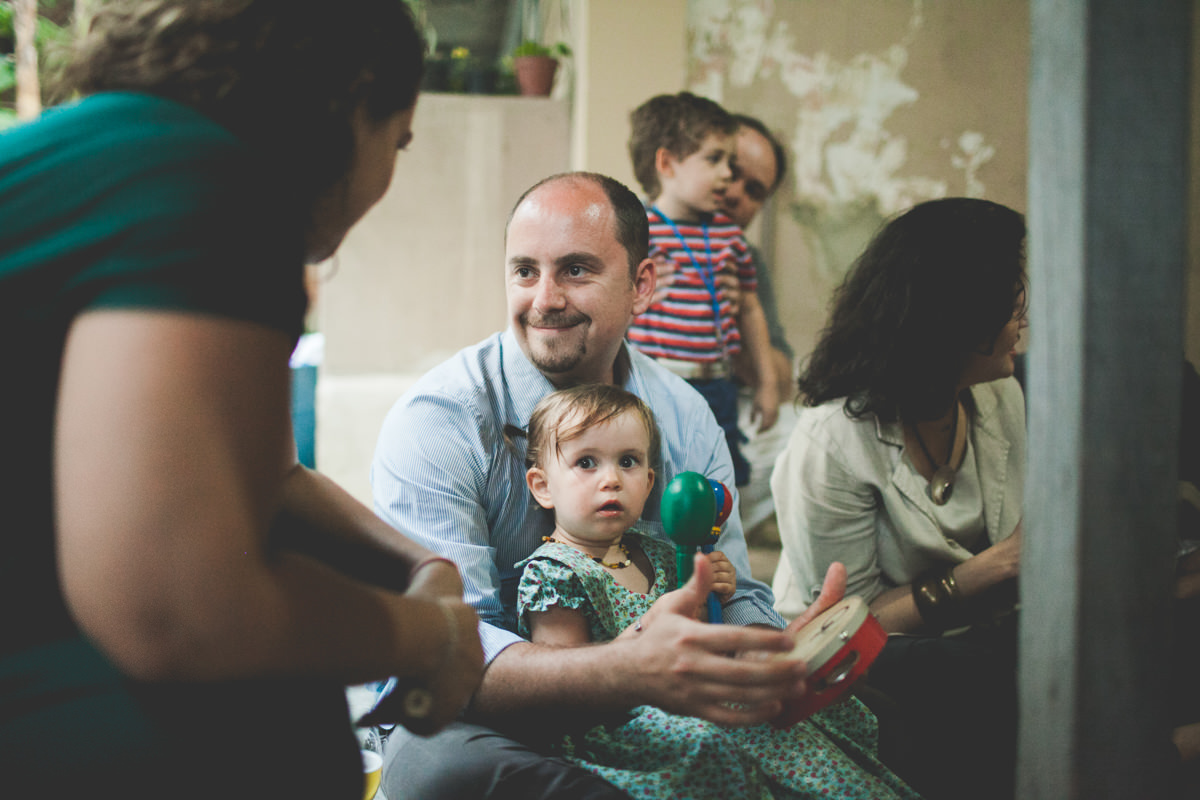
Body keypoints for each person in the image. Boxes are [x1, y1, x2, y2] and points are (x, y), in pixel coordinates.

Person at [0, 2, 483, 797]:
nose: (386, 180)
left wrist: (423, 566)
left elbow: (267, 474)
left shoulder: (105, 152)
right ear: (354, 97)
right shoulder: (207, 182)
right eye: (396, 141)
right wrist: (422, 636)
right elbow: (173, 608)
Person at [370, 171, 851, 799]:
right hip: (480, 710)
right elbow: (450, 658)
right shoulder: (440, 421)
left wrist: (769, 652)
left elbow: (729, 583)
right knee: (439, 769)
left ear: (641, 285)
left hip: (660, 699)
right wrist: (626, 671)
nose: (544, 299)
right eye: (524, 271)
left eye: (575, 270)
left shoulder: (680, 413)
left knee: (839, 720)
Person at [516, 383, 922, 799]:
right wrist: (645, 630)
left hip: (693, 692)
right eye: (586, 462)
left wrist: (719, 593)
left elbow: (706, 629)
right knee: (719, 733)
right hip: (623, 721)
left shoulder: (662, 552)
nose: (612, 479)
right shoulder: (553, 574)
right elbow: (565, 688)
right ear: (542, 486)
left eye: (629, 461)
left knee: (812, 710)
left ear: (650, 480)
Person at [770, 197, 1028, 799]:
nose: (1022, 319)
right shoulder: (832, 441)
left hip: (974, 629)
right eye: (1010, 303)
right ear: (956, 317)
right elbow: (846, 623)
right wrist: (998, 567)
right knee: (979, 676)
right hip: (848, 651)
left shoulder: (999, 395)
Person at [626, 92, 779, 487]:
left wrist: (767, 383)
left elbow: (750, 309)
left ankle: (715, 546)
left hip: (716, 383)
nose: (728, 175)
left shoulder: (729, 237)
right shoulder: (636, 230)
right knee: (648, 473)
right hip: (650, 380)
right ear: (666, 164)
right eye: (715, 160)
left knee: (719, 479)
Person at [723, 113, 800, 533]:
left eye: (754, 191)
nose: (735, 195)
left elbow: (784, 380)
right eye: (730, 171)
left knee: (800, 438)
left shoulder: (744, 261)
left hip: (717, 404)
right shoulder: (640, 231)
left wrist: (734, 322)